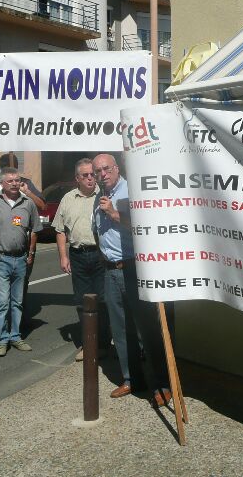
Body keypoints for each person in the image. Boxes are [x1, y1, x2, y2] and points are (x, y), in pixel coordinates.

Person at [92, 153, 171, 407]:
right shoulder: (99, 197)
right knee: (121, 329)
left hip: (135, 267)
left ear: (116, 168)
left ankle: (162, 382)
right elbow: (98, 232)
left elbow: (144, 227)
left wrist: (114, 213)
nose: (102, 175)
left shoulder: (132, 191)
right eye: (97, 172)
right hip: (110, 270)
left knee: (147, 327)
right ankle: (132, 378)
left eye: (105, 169)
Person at [0, 166, 42, 356]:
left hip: (20, 258)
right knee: (2, 301)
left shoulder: (28, 203)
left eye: (17, 180)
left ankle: (15, 336)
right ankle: (2, 339)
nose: (14, 184)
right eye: (10, 181)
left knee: (18, 301)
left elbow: (35, 230)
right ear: (1, 183)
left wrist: (30, 253)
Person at [53, 158, 110, 361]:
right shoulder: (68, 199)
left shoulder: (104, 196)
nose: (90, 178)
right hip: (78, 256)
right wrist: (63, 256)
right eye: (85, 175)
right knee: (82, 302)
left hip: (100, 256)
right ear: (76, 178)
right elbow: (60, 230)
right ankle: (89, 345)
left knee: (103, 301)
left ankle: (104, 344)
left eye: (92, 174)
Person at [0, 153, 45, 326]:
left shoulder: (25, 184)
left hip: (24, 248)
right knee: (3, 292)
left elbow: (42, 205)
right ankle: (5, 326)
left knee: (20, 287)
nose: (13, 182)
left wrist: (27, 192)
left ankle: (17, 323)